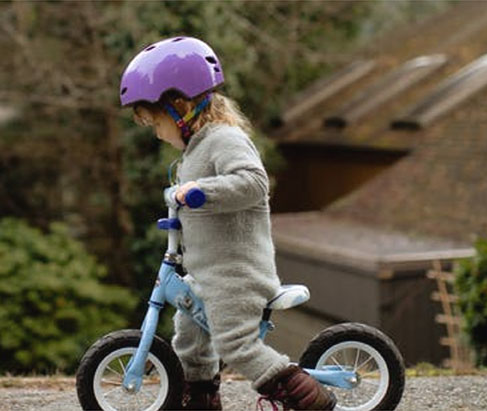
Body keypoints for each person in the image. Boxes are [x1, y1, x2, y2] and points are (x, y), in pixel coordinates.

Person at [120, 36, 336, 411]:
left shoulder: (224, 139)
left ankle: (307, 397)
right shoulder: (195, 149)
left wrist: (201, 191)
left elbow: (254, 182)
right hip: (208, 272)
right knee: (189, 339)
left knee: (235, 344)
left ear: (180, 106)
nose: (154, 132)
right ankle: (199, 398)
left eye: (153, 121)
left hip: (236, 273)